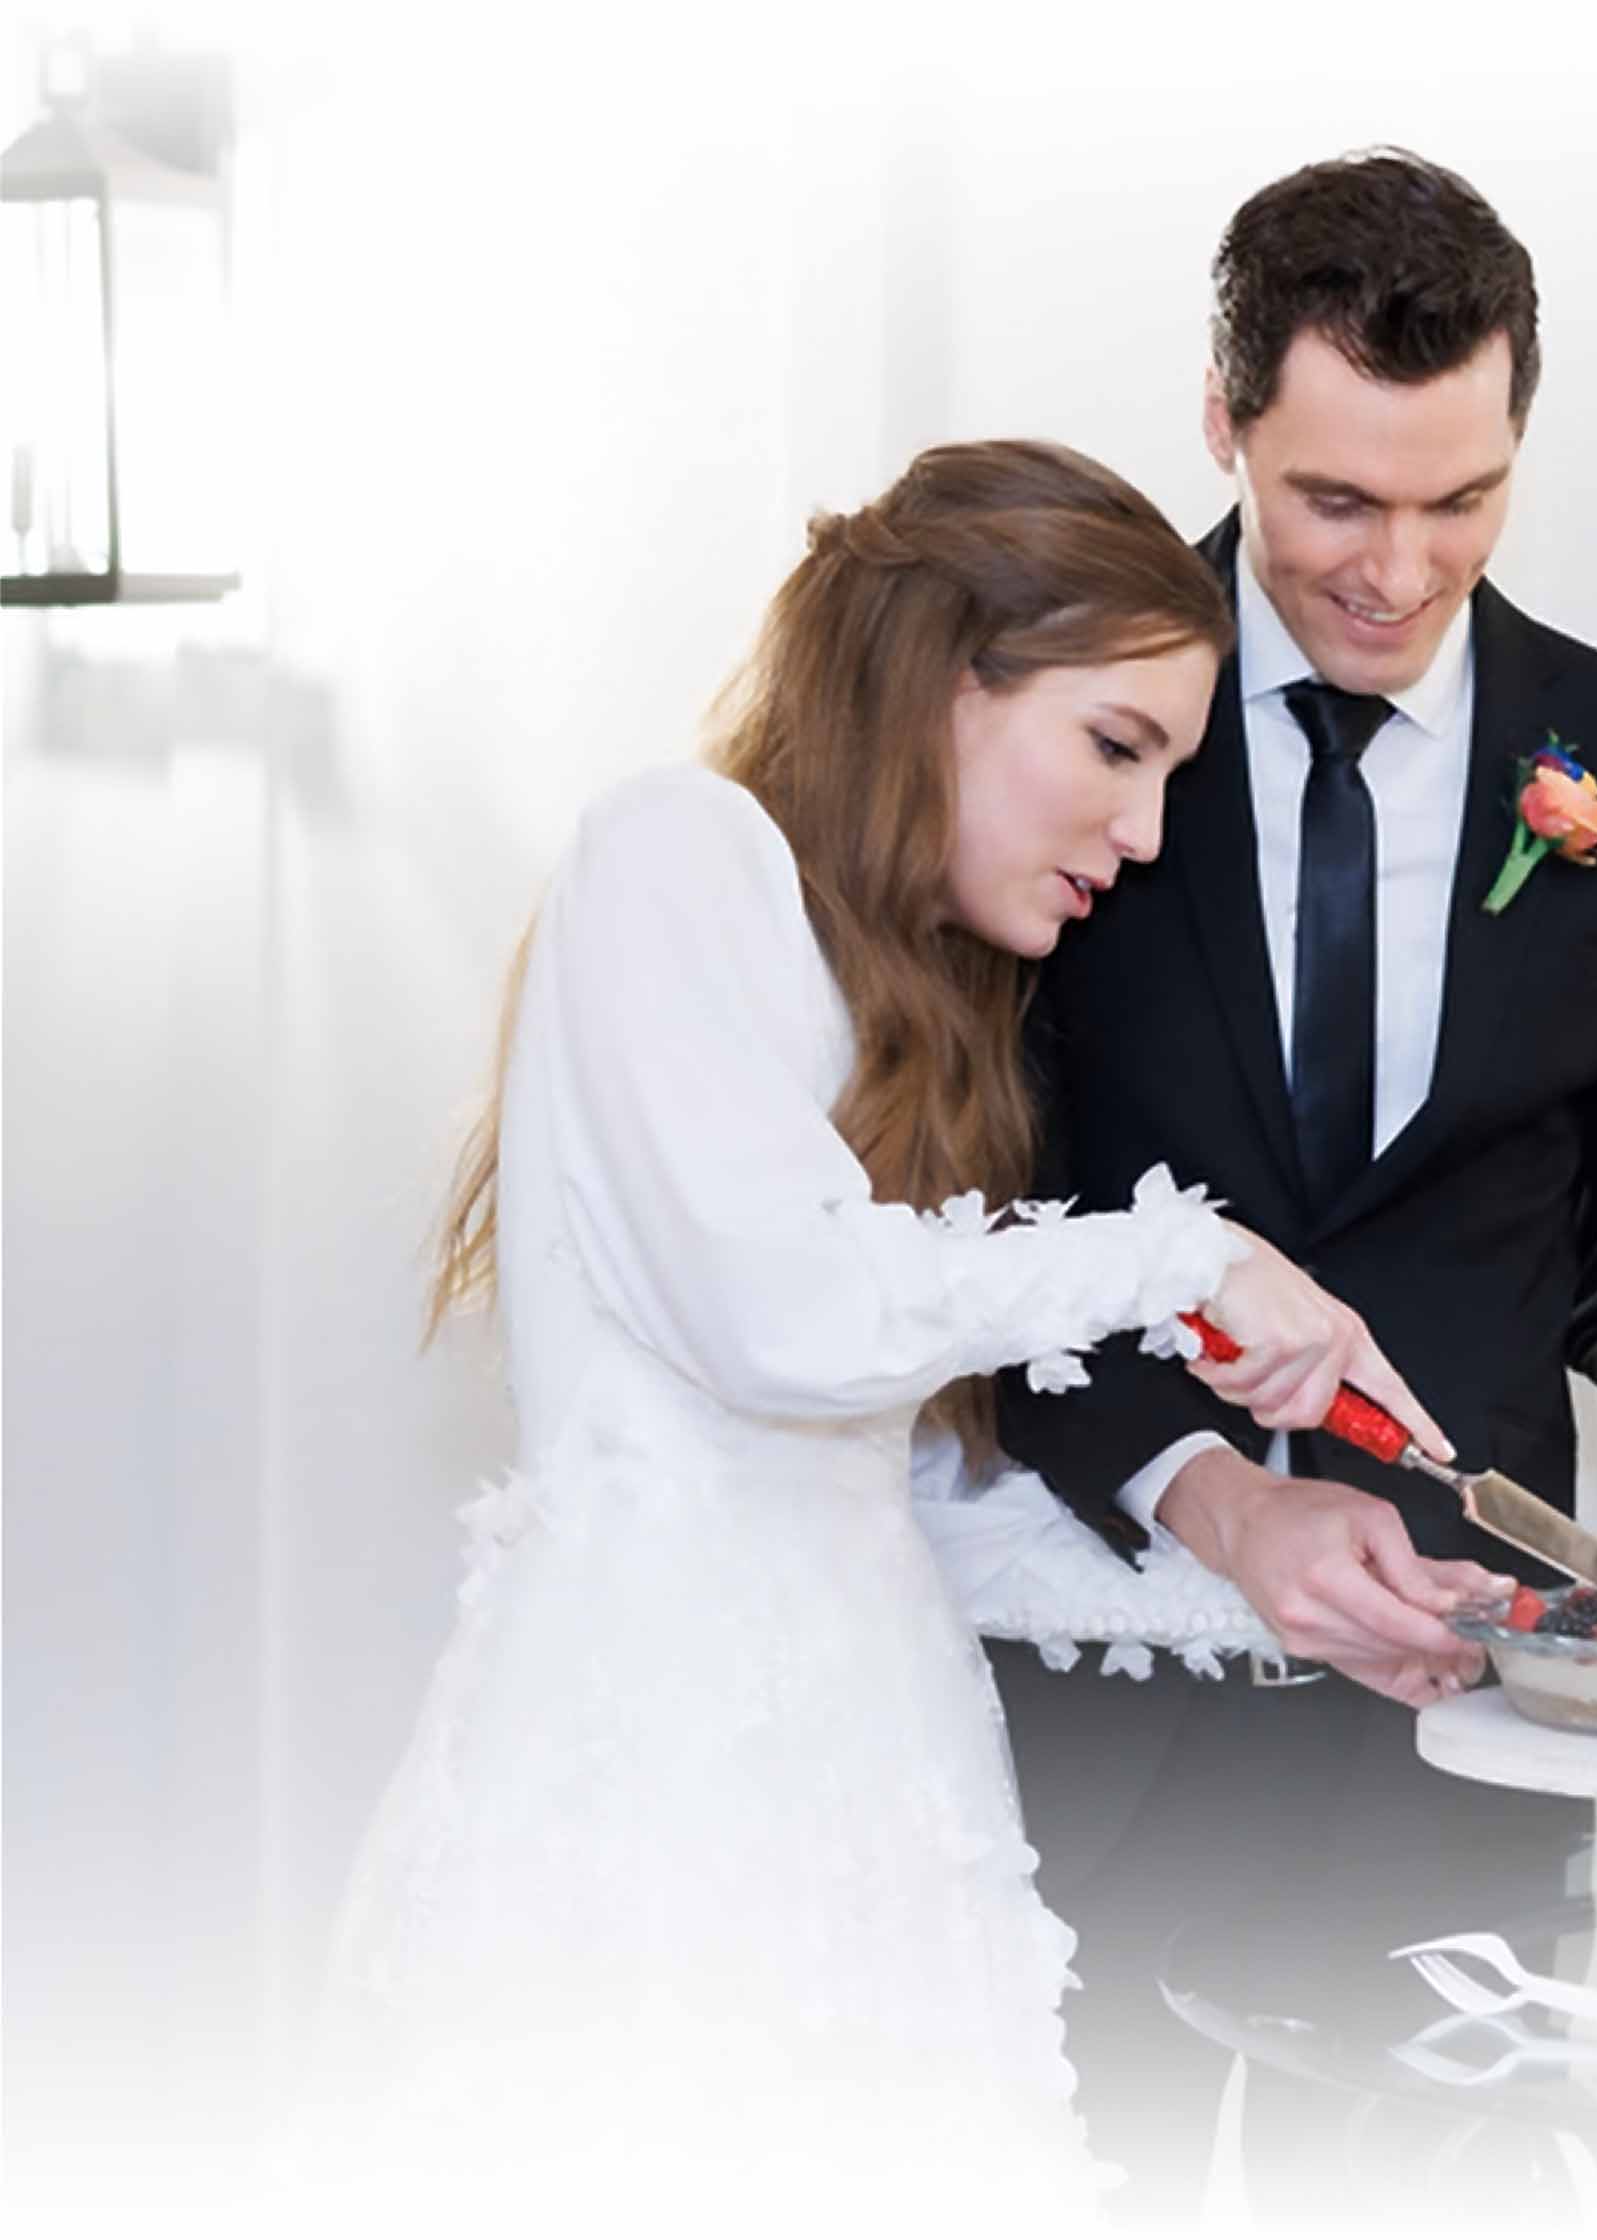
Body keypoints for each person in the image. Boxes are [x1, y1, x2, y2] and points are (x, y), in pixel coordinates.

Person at [926, 148, 1597, 2220]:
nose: (1395, 567)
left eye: (1458, 500)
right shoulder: (1066, 728)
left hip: (1456, 1717)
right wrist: (1205, 1488)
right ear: (1224, 422)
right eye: (1333, 502)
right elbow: (964, 1234)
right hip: (1082, 1681)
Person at [307, 439, 1451, 2208]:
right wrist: (1182, 1257)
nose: (1143, 838)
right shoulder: (672, 853)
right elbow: (792, 1326)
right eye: (1115, 748)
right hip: (658, 1828)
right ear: (943, 679)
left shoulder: (916, 1009)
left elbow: (891, 1501)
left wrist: (1287, 1593)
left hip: (886, 1822)